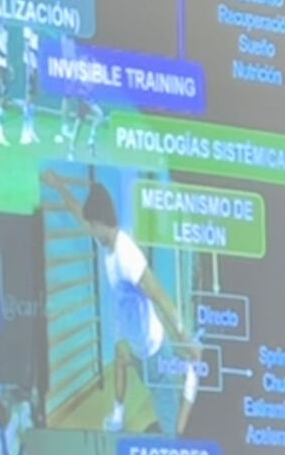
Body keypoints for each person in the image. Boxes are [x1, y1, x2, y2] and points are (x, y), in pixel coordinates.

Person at [81, 179, 199, 434]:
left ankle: (174, 435)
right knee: (120, 357)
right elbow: (79, 216)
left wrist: (185, 337)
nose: (89, 231)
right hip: (133, 343)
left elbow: (159, 296)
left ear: (100, 222)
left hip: (151, 350)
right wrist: (59, 186)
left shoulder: (126, 255)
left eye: (91, 226)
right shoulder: (106, 242)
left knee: (170, 425)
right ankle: (119, 415)